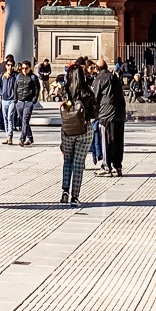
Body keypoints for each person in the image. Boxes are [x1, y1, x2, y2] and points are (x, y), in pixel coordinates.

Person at [58, 58, 97, 204]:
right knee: (79, 163)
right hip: (84, 130)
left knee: (67, 161)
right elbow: (95, 113)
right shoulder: (88, 91)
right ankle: (75, 196)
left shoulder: (65, 91)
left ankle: (64, 192)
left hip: (67, 129)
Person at [92, 58, 126, 176]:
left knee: (106, 142)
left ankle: (106, 166)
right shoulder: (115, 78)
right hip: (119, 114)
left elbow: (95, 98)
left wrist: (92, 114)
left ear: (97, 69)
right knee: (118, 141)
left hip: (106, 115)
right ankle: (118, 166)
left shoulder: (99, 79)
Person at [13, 60, 41, 146]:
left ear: (30, 68)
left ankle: (22, 139)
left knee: (25, 120)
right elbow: (15, 88)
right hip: (20, 102)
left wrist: (34, 100)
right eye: (22, 68)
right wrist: (15, 100)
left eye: (26, 68)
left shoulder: (33, 77)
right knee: (23, 121)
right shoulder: (18, 77)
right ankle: (30, 137)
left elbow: (37, 89)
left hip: (28, 102)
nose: (24, 70)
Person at [0, 55, 18, 145]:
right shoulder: (2, 76)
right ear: (6, 66)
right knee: (5, 118)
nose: (10, 67)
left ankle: (10, 136)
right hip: (4, 99)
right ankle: (7, 136)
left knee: (10, 117)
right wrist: (2, 92)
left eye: (12, 65)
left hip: (12, 99)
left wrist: (16, 95)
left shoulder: (16, 76)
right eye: (8, 65)